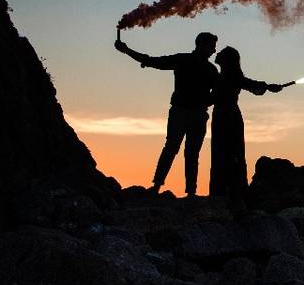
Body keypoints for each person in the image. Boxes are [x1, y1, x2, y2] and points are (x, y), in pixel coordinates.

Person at [115, 31, 219, 196]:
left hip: (192, 114)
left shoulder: (204, 67)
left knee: (178, 150)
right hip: (187, 113)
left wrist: (127, 51)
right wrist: (127, 51)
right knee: (181, 151)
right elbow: (153, 61)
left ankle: (173, 189)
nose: (213, 51)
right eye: (211, 47)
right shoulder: (198, 65)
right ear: (201, 45)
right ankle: (178, 190)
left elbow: (152, 61)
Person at [210, 46, 292, 212]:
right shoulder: (223, 75)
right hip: (225, 116)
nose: (216, 53)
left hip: (227, 117)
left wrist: (268, 86)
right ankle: (230, 196)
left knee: (230, 155)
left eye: (221, 53)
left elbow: (249, 84)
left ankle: (232, 198)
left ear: (226, 59)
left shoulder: (231, 75)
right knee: (225, 155)